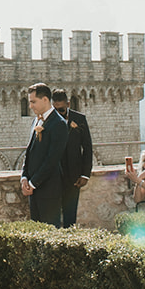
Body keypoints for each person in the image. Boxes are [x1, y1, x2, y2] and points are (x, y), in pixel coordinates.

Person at [19, 82, 70, 225]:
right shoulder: (36, 121)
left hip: (49, 190)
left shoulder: (58, 124)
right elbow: (29, 152)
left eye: (33, 102)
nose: (31, 106)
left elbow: (52, 159)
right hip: (33, 190)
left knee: (50, 232)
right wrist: (24, 176)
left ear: (45, 100)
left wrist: (33, 183)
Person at [52, 89, 94, 228]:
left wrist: (85, 174)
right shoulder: (48, 120)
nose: (59, 113)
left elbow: (87, 147)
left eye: (62, 109)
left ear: (68, 104)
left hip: (73, 176)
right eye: (55, 109)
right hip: (53, 176)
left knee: (70, 216)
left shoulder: (80, 119)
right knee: (53, 216)